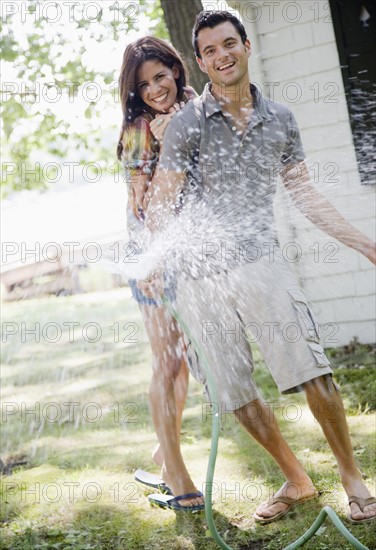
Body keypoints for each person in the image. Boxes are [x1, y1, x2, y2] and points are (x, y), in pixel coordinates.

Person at [141, 11, 376, 524]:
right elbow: (162, 201)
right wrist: (156, 260)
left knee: (312, 370)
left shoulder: (282, 120)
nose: (222, 56)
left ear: (246, 46)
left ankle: (352, 477)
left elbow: (305, 194)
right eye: (210, 50)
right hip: (198, 280)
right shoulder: (185, 124)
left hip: (261, 264)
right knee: (234, 391)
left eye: (230, 44)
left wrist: (364, 243)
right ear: (200, 62)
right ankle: (295, 479)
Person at [117, 36, 204, 509]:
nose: (154, 89)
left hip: (186, 256)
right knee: (165, 361)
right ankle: (178, 477)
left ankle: (162, 449)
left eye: (160, 76)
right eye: (143, 84)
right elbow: (141, 201)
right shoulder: (138, 128)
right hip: (150, 256)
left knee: (184, 362)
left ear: (176, 69)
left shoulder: (193, 105)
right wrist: (151, 261)